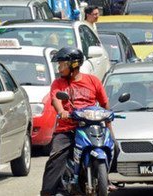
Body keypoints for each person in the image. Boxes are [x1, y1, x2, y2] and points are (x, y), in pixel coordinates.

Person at [41, 47, 110, 196]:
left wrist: (109, 125)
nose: (59, 68)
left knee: (112, 147)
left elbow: (104, 104)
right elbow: (55, 99)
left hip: (90, 126)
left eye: (62, 64)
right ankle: (48, 191)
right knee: (56, 156)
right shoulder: (58, 83)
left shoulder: (93, 81)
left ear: (74, 64)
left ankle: (107, 180)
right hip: (67, 128)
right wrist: (62, 112)